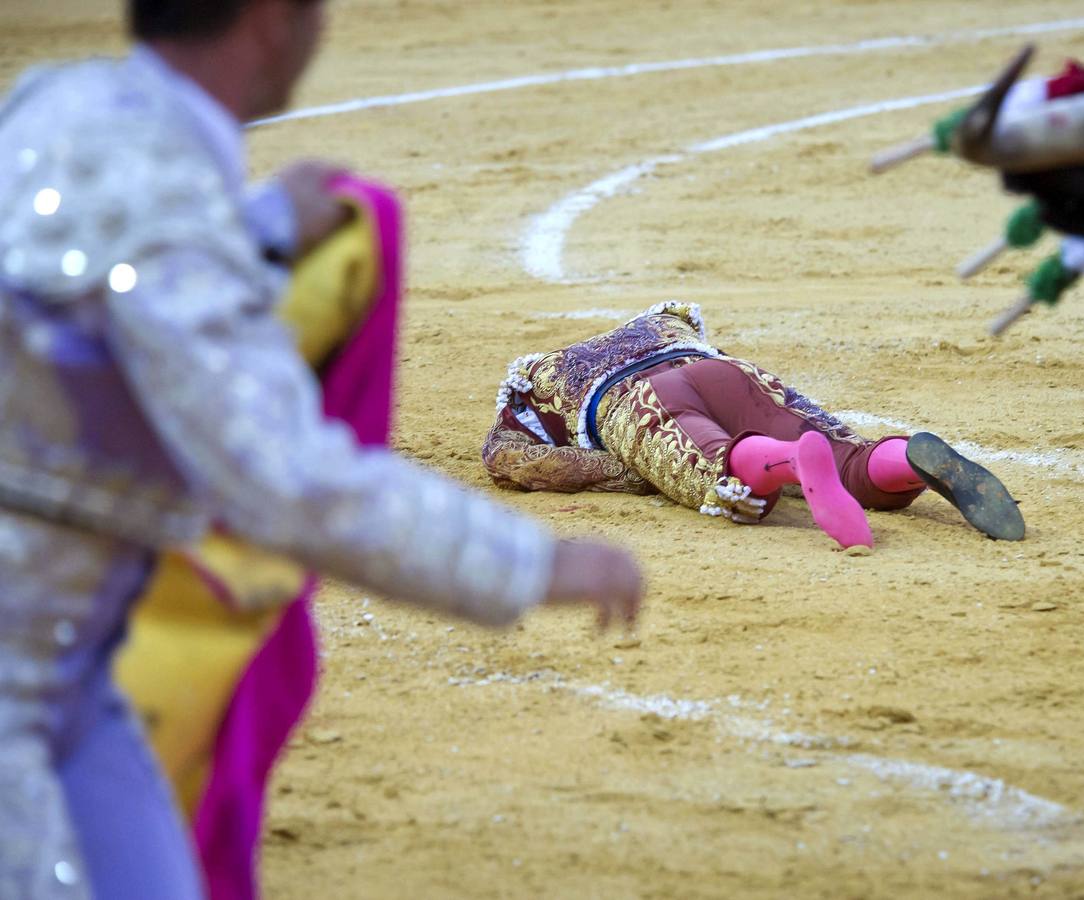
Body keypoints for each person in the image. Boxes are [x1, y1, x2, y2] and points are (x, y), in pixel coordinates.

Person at [0, 1, 642, 898]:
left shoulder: (54, 105)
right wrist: (536, 564)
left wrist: (256, 233)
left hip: (71, 666)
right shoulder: (164, 200)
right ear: (271, 19)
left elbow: (105, 283)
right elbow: (290, 483)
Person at [484, 301, 1025, 548]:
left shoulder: (532, 387)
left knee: (721, 471)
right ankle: (906, 459)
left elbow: (516, 461)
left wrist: (635, 468)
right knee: (848, 453)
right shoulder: (662, 320)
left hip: (635, 400)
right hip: (721, 371)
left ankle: (789, 463)